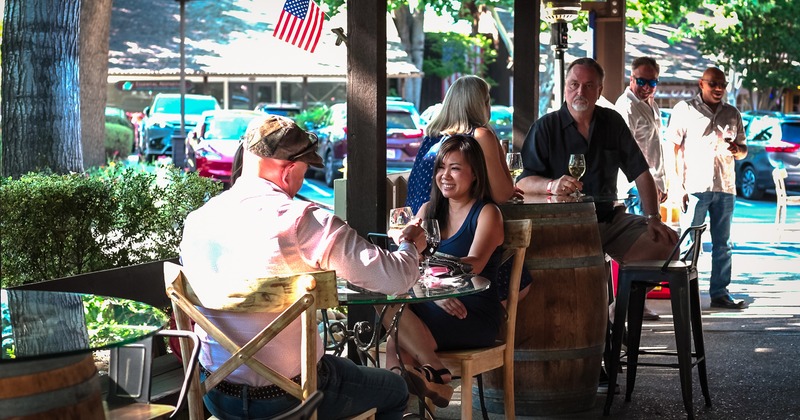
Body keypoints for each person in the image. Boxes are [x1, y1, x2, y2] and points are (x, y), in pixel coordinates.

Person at [180, 115, 429, 420]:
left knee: (346, 369)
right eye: (304, 171)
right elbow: (395, 278)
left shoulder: (198, 221)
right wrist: (411, 244)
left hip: (216, 394)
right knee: (394, 390)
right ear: (288, 171)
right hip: (289, 398)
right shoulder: (303, 221)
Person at [516, 57, 678, 307]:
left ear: (599, 91)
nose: (580, 91)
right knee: (581, 276)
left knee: (667, 244)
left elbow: (641, 172)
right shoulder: (546, 127)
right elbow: (523, 181)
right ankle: (604, 316)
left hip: (608, 221)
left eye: (589, 85)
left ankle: (617, 311)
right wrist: (551, 185)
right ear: (565, 87)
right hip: (561, 229)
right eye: (574, 84)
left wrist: (653, 217)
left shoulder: (611, 122)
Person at [382, 134, 505, 408]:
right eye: (441, 167)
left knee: (396, 337)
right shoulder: (428, 210)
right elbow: (407, 265)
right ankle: (433, 371)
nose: (445, 175)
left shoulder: (487, 213)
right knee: (387, 308)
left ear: (474, 174)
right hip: (433, 305)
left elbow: (474, 264)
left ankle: (405, 398)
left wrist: (431, 283)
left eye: (455, 168)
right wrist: (406, 246)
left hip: (472, 311)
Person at [405, 75, 526, 302]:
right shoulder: (479, 134)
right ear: (482, 104)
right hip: (451, 231)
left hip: (419, 230)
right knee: (522, 282)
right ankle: (489, 322)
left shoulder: (432, 135)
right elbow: (502, 193)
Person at [666, 67, 748, 310]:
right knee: (690, 243)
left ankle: (720, 293)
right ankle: (682, 295)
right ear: (701, 84)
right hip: (694, 187)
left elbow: (743, 151)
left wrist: (736, 150)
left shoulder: (732, 113)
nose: (719, 88)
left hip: (725, 187)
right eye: (713, 83)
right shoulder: (685, 109)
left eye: (722, 84)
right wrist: (676, 185)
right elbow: (672, 148)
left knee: (724, 244)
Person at [614, 56, 669, 320]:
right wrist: (649, 188)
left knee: (651, 247)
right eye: (642, 81)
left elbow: (656, 149)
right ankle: (626, 304)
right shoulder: (626, 107)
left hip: (651, 185)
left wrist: (662, 183)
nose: (647, 87)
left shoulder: (652, 105)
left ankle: (635, 302)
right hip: (636, 187)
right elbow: (628, 154)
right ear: (631, 78)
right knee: (642, 249)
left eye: (652, 82)